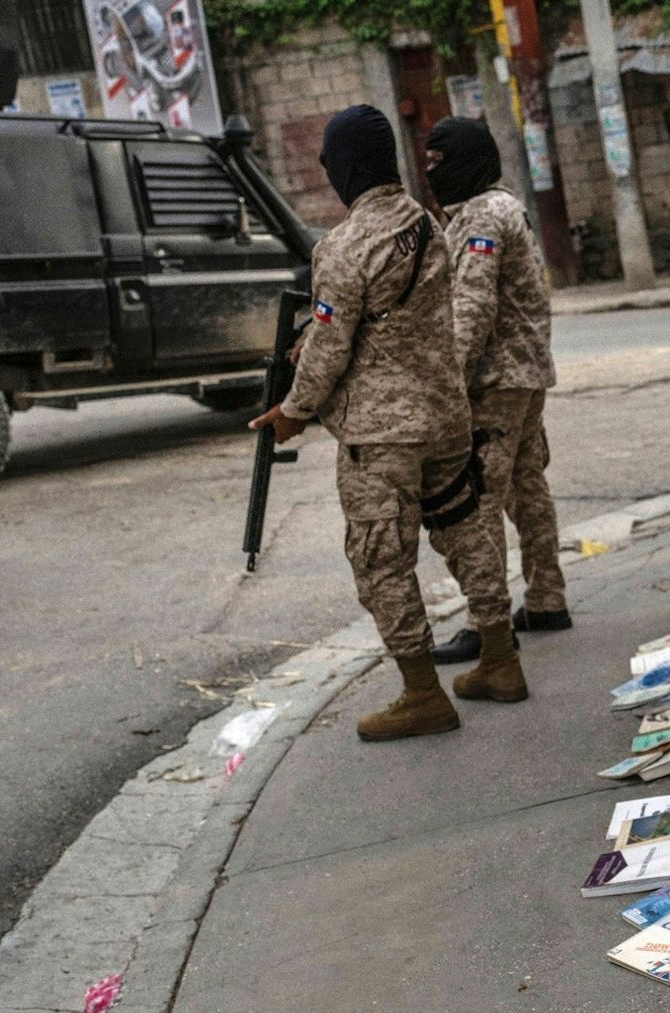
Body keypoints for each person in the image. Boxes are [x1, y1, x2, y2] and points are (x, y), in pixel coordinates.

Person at [249, 105, 501, 741]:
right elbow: (395, 323)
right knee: (467, 531)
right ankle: (502, 660)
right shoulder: (425, 222)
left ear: (343, 166)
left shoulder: (342, 246)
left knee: (381, 560)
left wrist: (293, 411)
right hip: (446, 416)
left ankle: (422, 694)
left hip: (382, 435)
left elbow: (332, 347)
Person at [419, 116, 571, 696]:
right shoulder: (505, 207)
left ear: (467, 159)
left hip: (496, 380)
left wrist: (447, 386)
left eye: (438, 162)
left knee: (477, 499)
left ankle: (487, 626)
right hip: (527, 373)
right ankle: (546, 597)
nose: (431, 174)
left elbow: (473, 309)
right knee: (526, 486)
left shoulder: (482, 215)